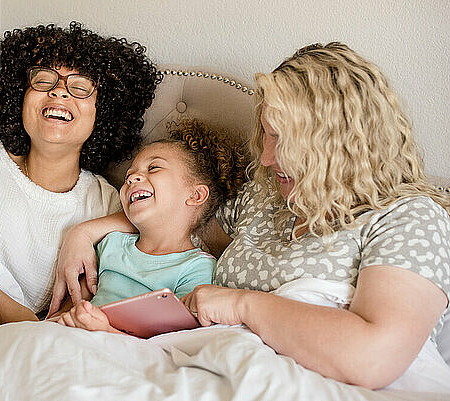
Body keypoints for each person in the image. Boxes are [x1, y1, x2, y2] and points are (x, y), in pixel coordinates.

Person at [49, 42, 450, 389]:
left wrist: (241, 304)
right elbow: (179, 209)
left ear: (337, 141)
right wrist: (84, 233)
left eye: (282, 138)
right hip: (208, 364)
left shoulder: (409, 217)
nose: (267, 156)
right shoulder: (266, 197)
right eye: (266, 135)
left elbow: (374, 358)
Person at [0, 22, 161, 333]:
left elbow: (77, 307)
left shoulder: (105, 203)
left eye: (80, 86)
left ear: (103, 112)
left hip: (14, 338)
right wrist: (7, 313)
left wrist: (82, 233)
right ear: (19, 96)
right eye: (43, 80)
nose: (58, 90)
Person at [52, 119, 247, 333]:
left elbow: (171, 344)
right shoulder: (111, 242)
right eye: (128, 176)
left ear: (195, 195)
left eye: (153, 168)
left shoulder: (196, 268)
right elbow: (75, 305)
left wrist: (105, 331)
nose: (132, 178)